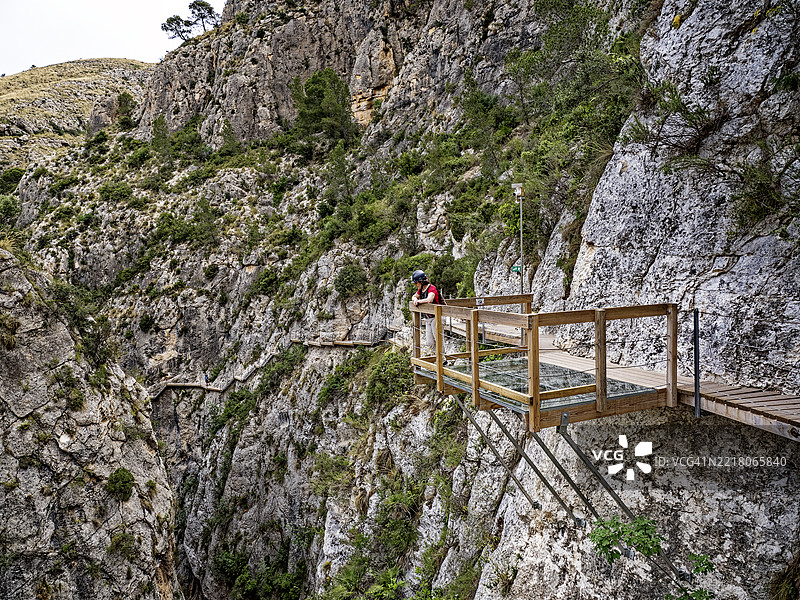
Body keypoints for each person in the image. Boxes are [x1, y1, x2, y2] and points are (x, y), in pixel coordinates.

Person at [411, 270, 442, 354]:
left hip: (436, 317)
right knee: (430, 342)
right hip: (428, 318)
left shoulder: (431, 288)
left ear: (421, 281)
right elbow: (414, 296)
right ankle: (438, 357)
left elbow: (429, 299)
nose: (415, 285)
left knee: (438, 339)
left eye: (416, 283)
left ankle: (442, 359)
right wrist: (415, 299)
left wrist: (418, 302)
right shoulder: (421, 290)